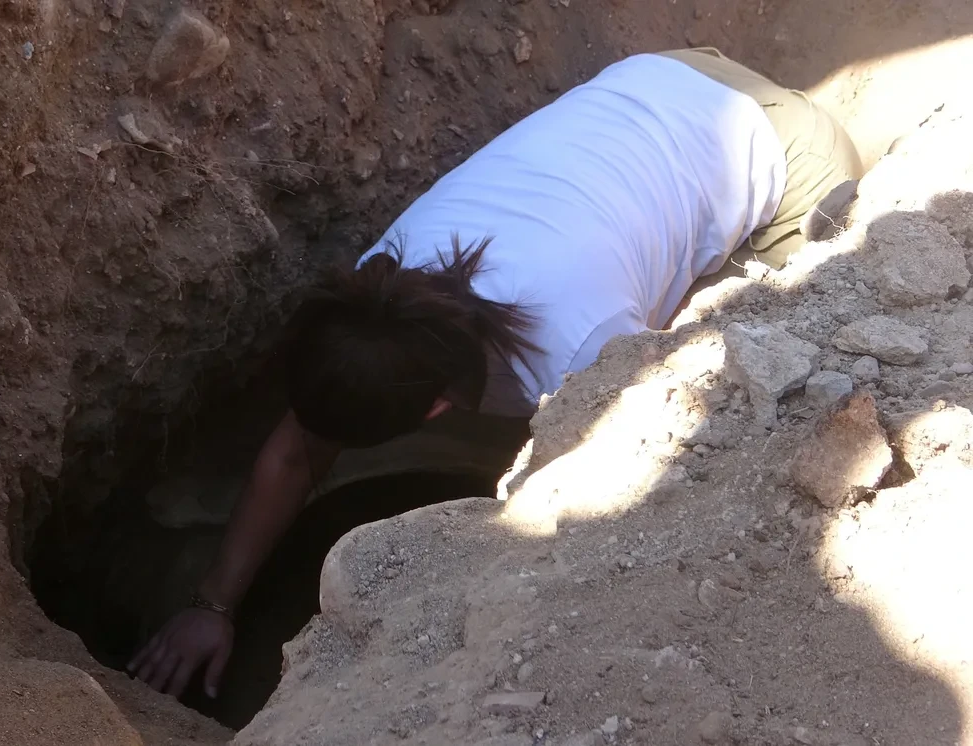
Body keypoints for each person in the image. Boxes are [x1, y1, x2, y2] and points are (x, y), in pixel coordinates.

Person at [127, 47, 863, 699]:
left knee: (730, 333)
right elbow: (298, 446)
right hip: (664, 77)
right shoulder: (379, 293)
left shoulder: (585, 350)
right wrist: (212, 604)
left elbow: (633, 475)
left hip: (790, 161)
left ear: (440, 411)